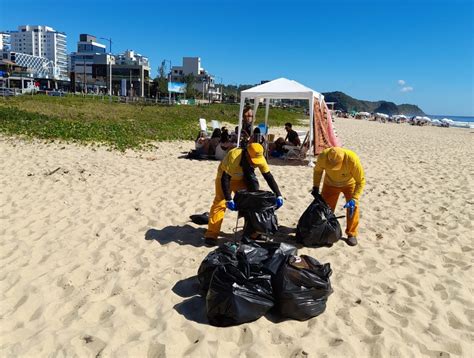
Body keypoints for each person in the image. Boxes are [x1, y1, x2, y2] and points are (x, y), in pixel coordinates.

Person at [204, 143, 284, 246]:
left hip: (241, 178)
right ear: (246, 154)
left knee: (251, 202)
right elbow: (225, 178)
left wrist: (279, 195)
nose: (255, 164)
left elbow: (268, 176)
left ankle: (252, 233)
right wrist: (229, 199)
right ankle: (212, 234)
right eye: (253, 161)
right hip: (224, 178)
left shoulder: (260, 158)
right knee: (220, 203)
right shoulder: (234, 156)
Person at [312, 147, 365, 246]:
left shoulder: (352, 159)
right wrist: (315, 186)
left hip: (349, 184)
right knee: (326, 208)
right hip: (330, 184)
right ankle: (326, 230)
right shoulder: (322, 156)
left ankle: (351, 233)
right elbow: (318, 171)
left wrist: (354, 198)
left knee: (353, 208)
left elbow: (360, 181)